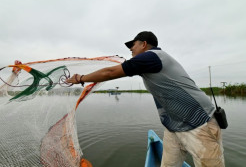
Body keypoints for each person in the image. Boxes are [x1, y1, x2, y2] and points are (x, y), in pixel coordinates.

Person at [66, 31, 225, 167]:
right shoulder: (147, 64)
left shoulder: (153, 57)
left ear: (144, 44)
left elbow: (109, 72)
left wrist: (81, 78)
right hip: (174, 125)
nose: (130, 50)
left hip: (199, 122)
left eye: (132, 45)